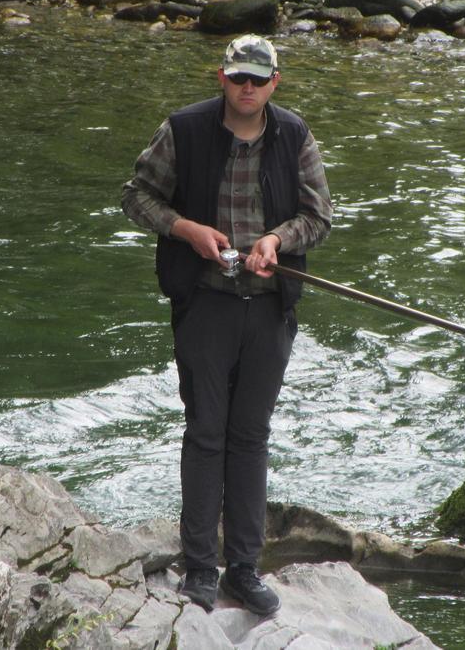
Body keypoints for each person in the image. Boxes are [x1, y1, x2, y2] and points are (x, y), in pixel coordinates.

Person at [120, 34, 332, 616]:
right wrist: (185, 229)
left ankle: (243, 567)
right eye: (238, 77)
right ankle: (199, 570)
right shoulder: (183, 130)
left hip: (269, 309)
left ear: (274, 84)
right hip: (205, 303)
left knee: (250, 437)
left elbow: (318, 218)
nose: (247, 88)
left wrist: (275, 241)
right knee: (205, 433)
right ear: (222, 77)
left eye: (258, 80)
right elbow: (136, 196)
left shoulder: (295, 136)